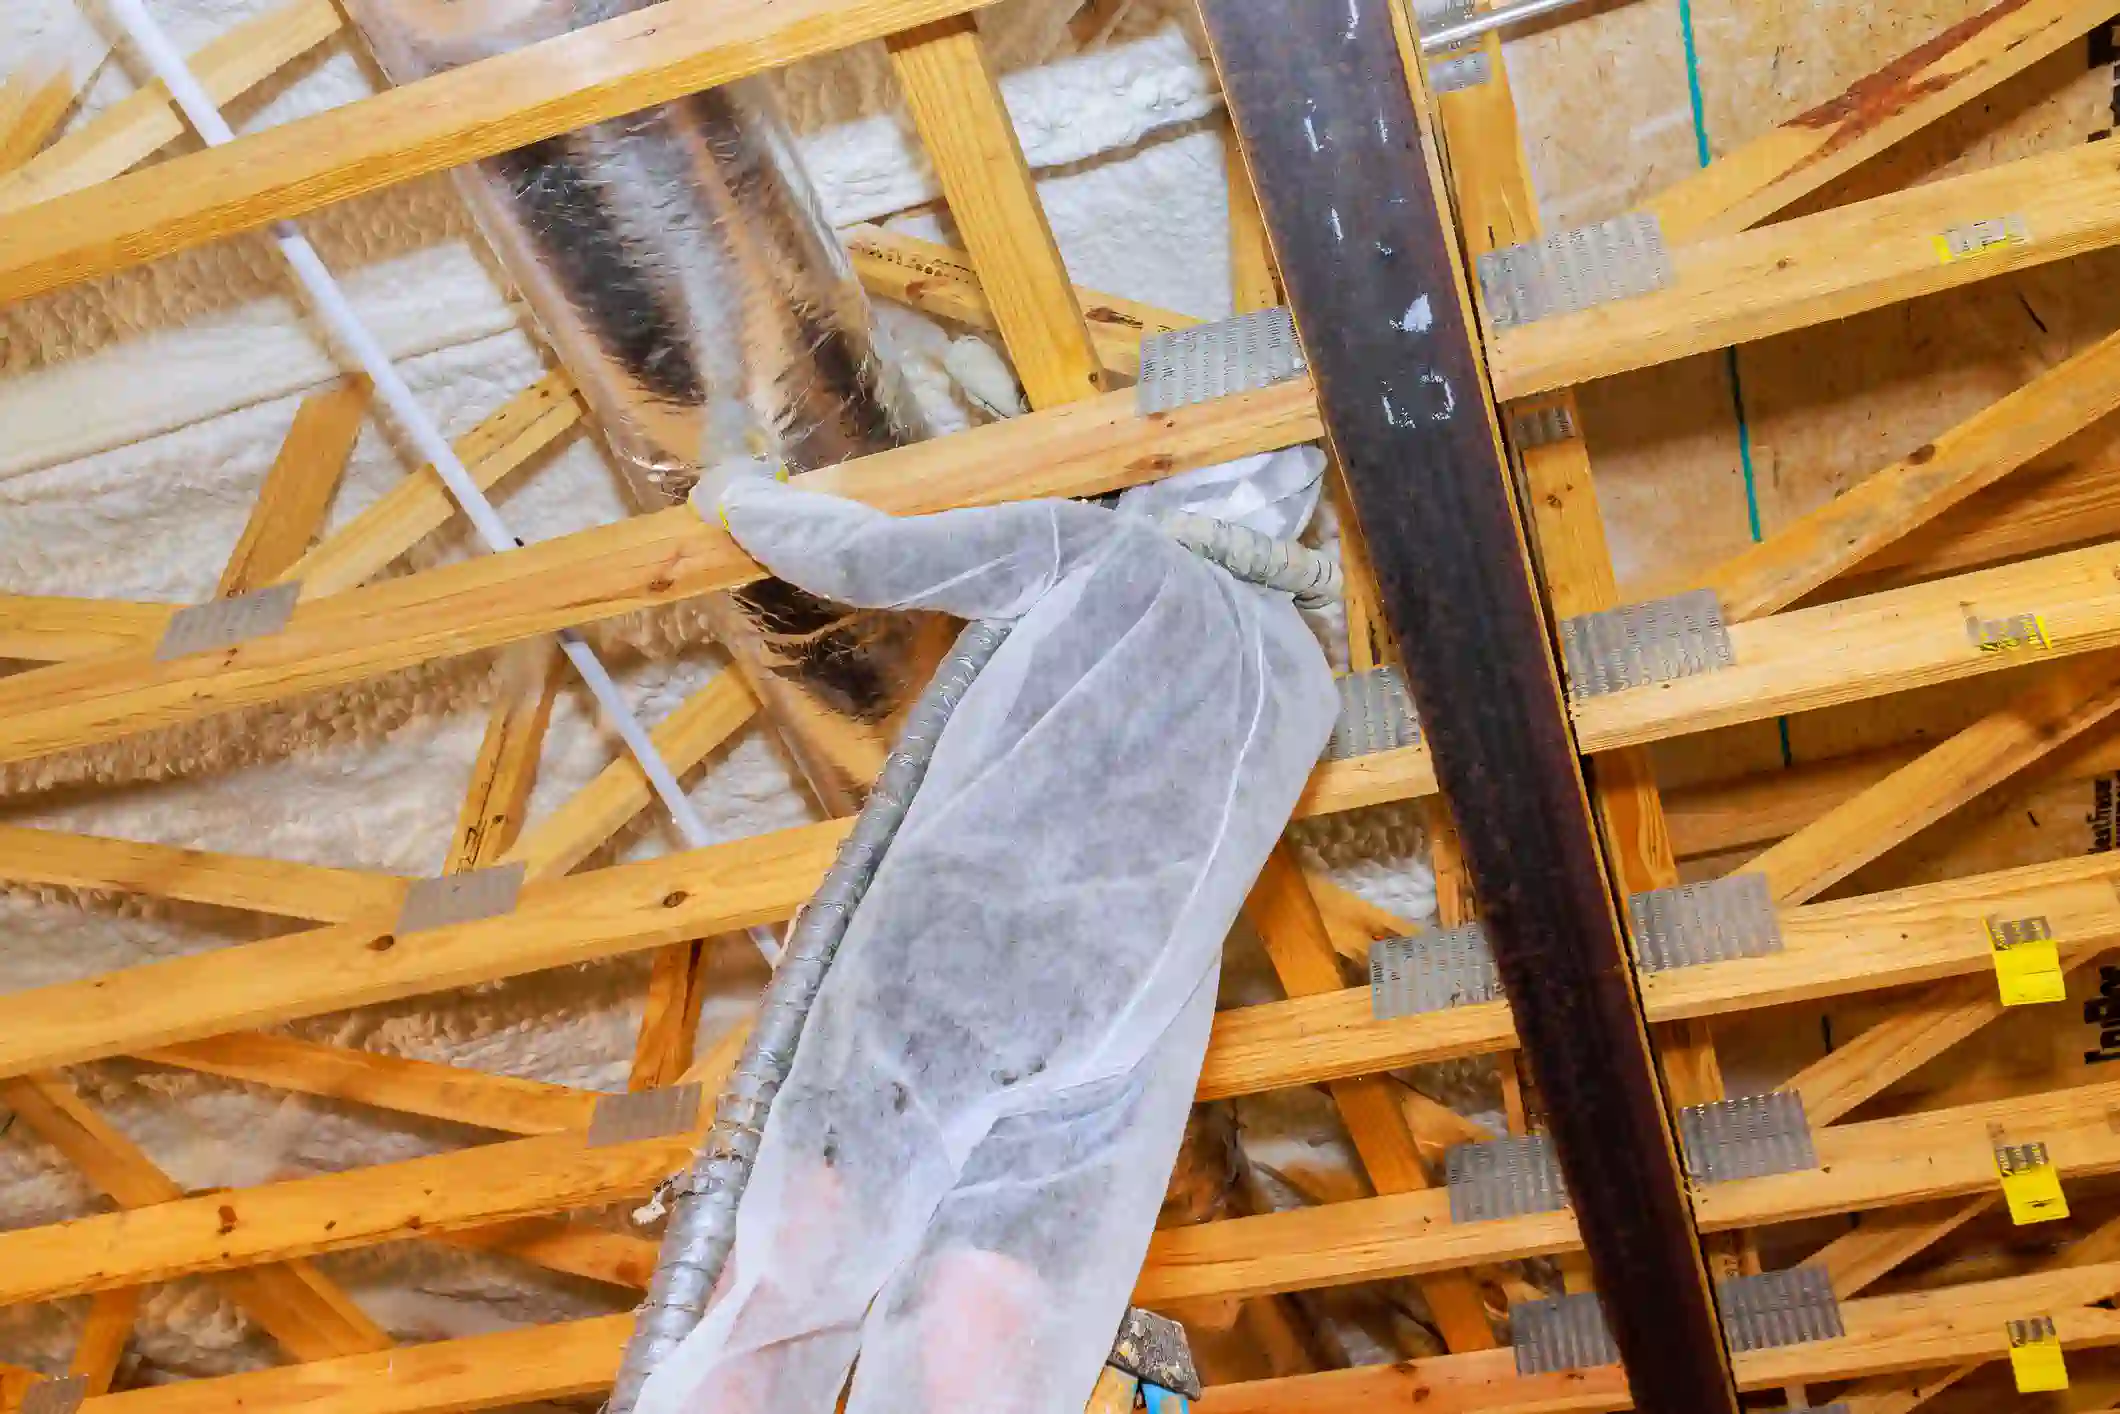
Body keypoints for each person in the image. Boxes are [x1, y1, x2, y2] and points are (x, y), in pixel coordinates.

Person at [635, 447, 1340, 1414]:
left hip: (952, 965)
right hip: (1117, 1035)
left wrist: (735, 493)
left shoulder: (1107, 551)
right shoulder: (1310, 680)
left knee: (799, 1254)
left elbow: (864, 557)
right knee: (988, 1300)